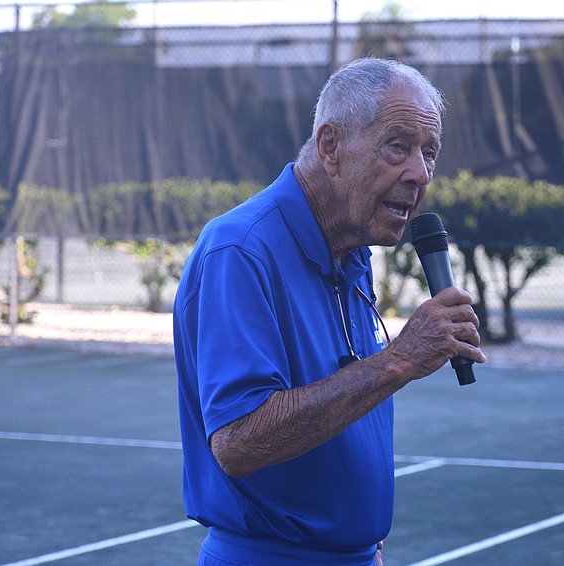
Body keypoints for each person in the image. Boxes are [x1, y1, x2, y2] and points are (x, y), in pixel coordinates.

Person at [173, 57, 486, 566]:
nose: (420, 173)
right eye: (398, 146)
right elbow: (239, 441)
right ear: (330, 147)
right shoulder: (241, 249)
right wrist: (400, 359)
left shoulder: (353, 250)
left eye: (429, 152)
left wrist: (363, 539)